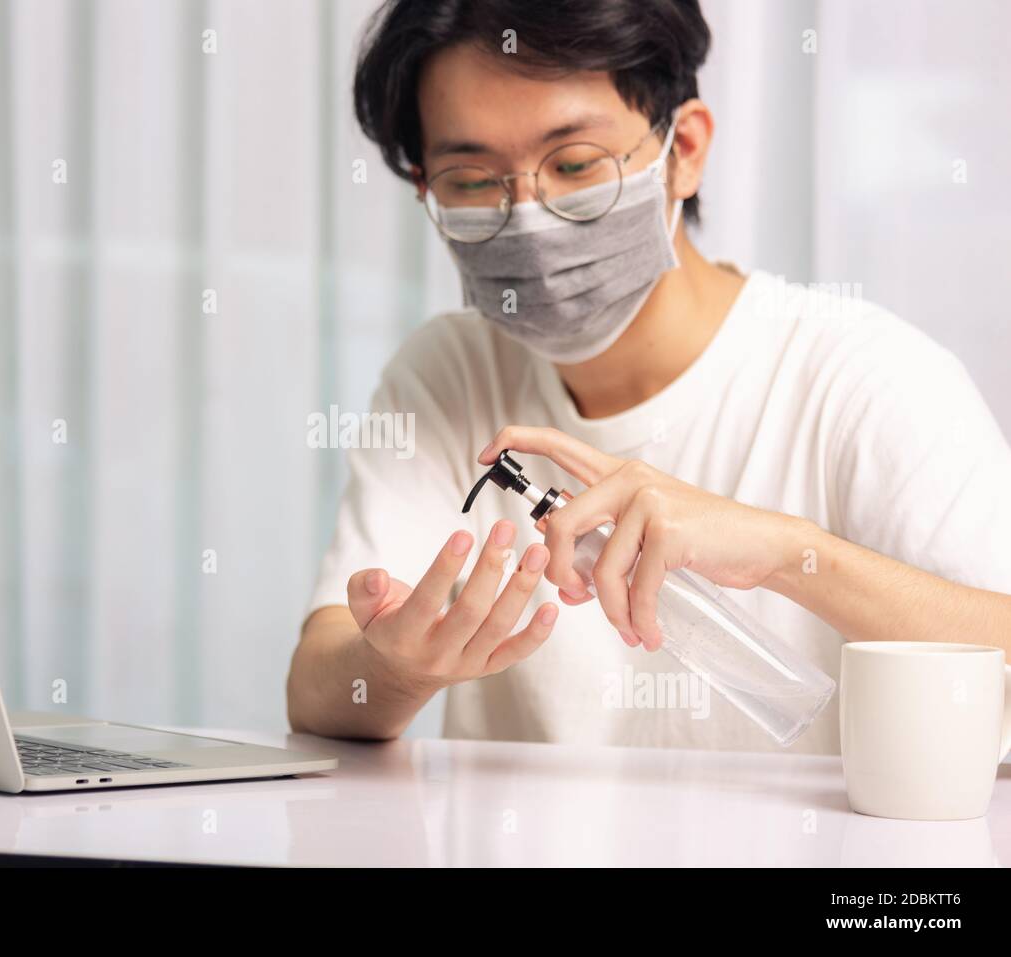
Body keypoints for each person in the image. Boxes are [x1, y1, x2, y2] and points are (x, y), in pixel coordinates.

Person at [286, 0, 1011, 752]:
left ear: (685, 149)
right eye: (472, 181)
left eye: (574, 165)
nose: (529, 220)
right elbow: (315, 688)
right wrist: (397, 667)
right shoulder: (447, 373)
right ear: (426, 191)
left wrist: (793, 553)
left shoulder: (864, 378)